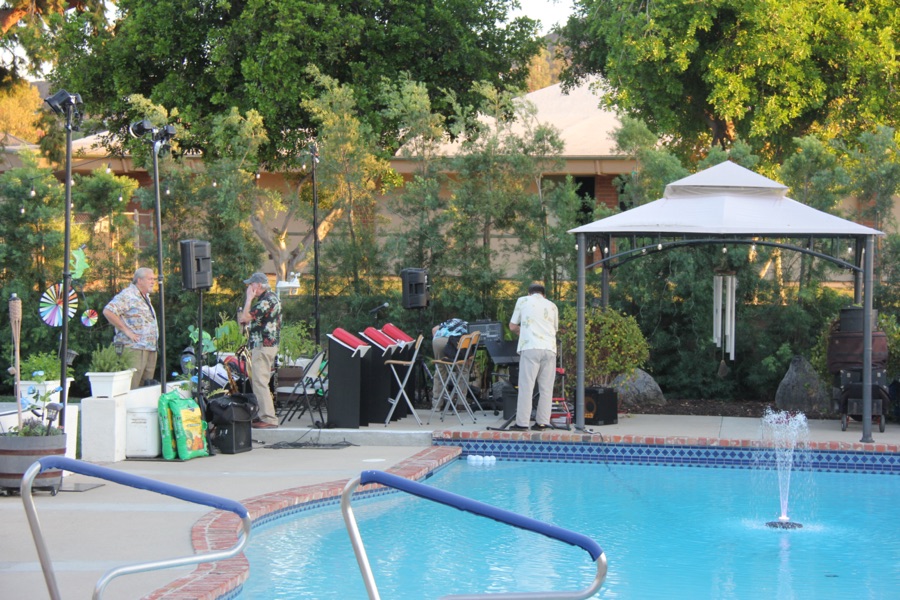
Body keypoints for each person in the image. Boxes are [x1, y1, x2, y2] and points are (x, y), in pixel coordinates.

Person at [508, 283, 558, 431]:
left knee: (526, 386)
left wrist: (520, 331)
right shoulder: (552, 305)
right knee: (546, 388)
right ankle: (542, 422)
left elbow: (512, 326)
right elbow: (554, 329)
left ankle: (522, 423)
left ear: (529, 294)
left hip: (530, 347)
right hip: (549, 348)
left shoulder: (523, 300)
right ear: (544, 295)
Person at [102, 267, 160, 389]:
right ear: (139, 280)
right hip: (134, 348)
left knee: (146, 388)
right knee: (132, 387)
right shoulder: (128, 295)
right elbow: (108, 311)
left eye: (153, 279)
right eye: (150, 279)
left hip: (149, 347)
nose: (153, 282)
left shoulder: (144, 296)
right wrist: (126, 330)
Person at [238, 272, 282, 429]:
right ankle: (265, 415)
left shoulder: (265, 301)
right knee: (260, 380)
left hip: (263, 345)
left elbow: (245, 317)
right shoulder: (270, 298)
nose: (249, 287)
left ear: (258, 285)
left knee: (259, 381)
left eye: (251, 284)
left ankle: (269, 418)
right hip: (266, 345)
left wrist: (249, 299)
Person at [431, 317, 468, 407]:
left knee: (440, 369)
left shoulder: (447, 323)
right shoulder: (466, 325)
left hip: (439, 341)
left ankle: (437, 403)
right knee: (462, 368)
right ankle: (461, 402)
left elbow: (434, 330)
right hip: (455, 342)